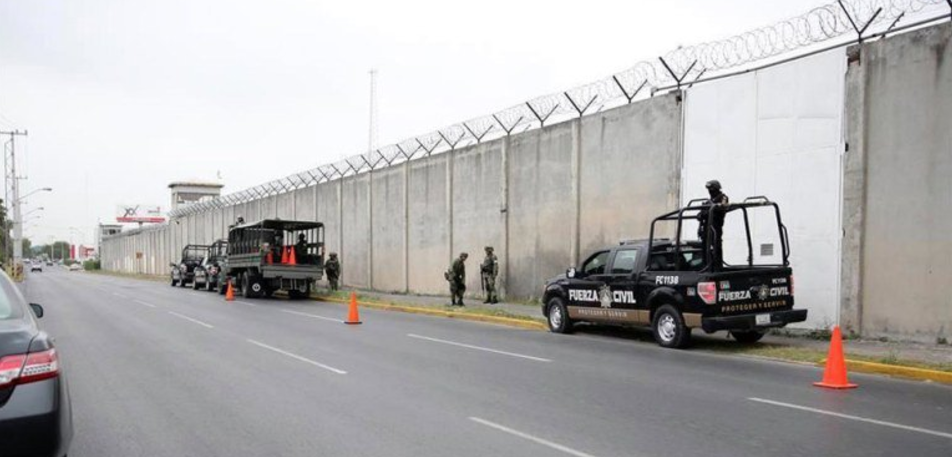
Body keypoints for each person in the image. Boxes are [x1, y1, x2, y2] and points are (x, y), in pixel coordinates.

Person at [697, 180, 729, 268]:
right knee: (705, 247)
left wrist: (709, 210)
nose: (710, 192)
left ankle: (717, 267)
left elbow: (722, 208)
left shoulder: (723, 197)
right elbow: (702, 213)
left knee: (716, 246)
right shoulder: (709, 200)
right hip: (706, 227)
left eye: (711, 189)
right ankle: (706, 265)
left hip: (715, 226)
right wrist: (701, 214)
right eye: (709, 190)